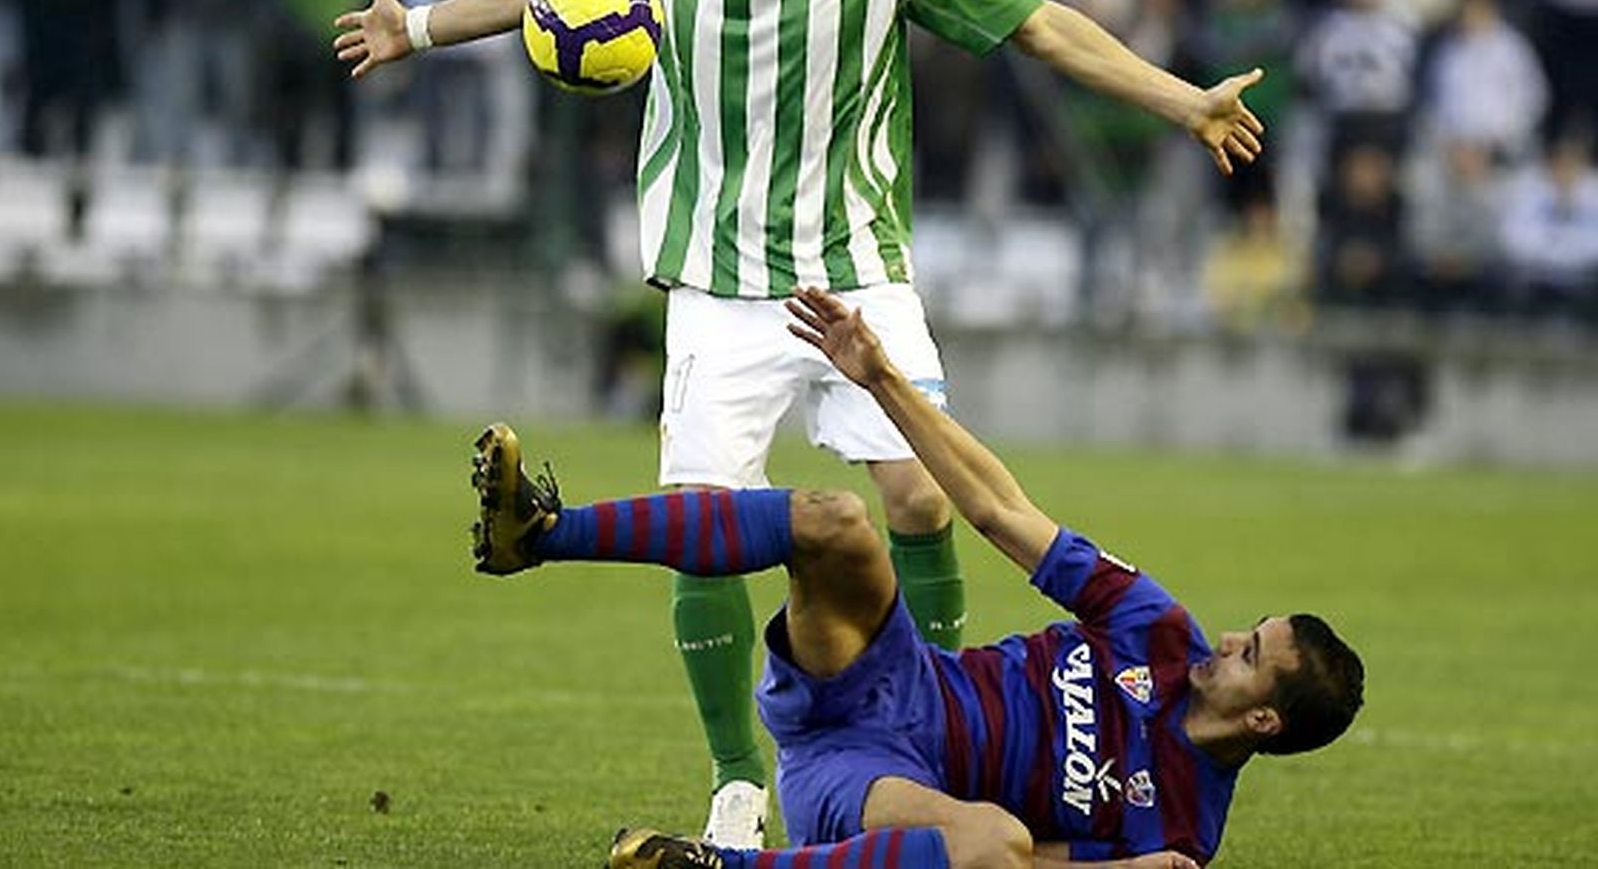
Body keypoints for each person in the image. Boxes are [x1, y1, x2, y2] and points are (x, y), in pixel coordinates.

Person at [332, 0, 1266, 849]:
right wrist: (421, 27)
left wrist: (1181, 101)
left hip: (857, 268)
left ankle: (927, 716)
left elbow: (1038, 23)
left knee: (919, 498)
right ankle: (736, 779)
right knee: (705, 528)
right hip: (718, 282)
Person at [468, 285, 1365, 869]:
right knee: (836, 522)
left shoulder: (1178, 831)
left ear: (1263, 719)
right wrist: (881, 378)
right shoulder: (1160, 630)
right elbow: (1003, 512)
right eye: (1253, 629)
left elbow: (1024, 864)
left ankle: (724, 866)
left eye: (1253, 653)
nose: (1230, 638)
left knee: (992, 840)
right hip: (890, 672)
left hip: (874, 782)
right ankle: (540, 533)